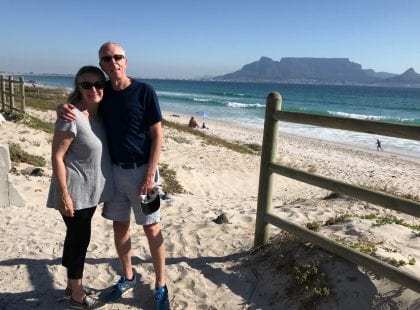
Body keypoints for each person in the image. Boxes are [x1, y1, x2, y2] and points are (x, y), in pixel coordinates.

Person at [58, 42, 169, 309]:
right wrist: (62, 107)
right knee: (120, 226)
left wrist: (150, 172)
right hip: (114, 172)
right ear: (102, 65)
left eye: (117, 57)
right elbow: (82, 103)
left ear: (126, 61)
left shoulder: (144, 91)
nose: (113, 62)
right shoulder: (103, 92)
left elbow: (157, 135)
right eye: (106, 59)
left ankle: (160, 286)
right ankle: (128, 276)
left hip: (144, 170)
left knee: (152, 228)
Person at [47, 66, 113, 309]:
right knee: (79, 240)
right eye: (86, 85)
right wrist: (64, 195)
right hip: (74, 192)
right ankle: (77, 295)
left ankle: (70, 284)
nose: (94, 89)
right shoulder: (71, 115)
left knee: (76, 238)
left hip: (91, 192)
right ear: (78, 87)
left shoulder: (100, 114)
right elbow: (57, 157)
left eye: (99, 84)